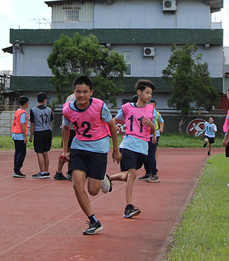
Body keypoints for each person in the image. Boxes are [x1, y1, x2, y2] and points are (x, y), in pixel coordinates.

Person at [61, 75, 120, 235]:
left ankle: (102, 178)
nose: (81, 95)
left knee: (93, 190)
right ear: (74, 92)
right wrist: (65, 150)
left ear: (91, 92)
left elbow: (112, 127)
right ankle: (93, 221)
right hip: (79, 148)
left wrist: (115, 149)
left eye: (85, 92)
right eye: (78, 92)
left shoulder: (99, 106)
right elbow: (66, 128)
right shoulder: (67, 109)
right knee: (77, 184)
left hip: (99, 148)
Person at [108, 79, 157, 218]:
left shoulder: (151, 109)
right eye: (147, 92)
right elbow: (114, 121)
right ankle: (128, 208)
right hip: (128, 144)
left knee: (129, 176)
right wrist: (112, 128)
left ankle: (108, 178)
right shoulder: (126, 107)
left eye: (151, 94)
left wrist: (153, 128)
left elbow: (153, 129)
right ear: (139, 92)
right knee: (133, 174)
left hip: (142, 147)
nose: (149, 96)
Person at [139, 99, 164, 183]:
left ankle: (154, 174)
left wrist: (158, 131)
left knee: (151, 154)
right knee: (144, 155)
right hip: (145, 135)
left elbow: (159, 122)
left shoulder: (155, 113)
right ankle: (148, 173)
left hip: (154, 134)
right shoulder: (144, 111)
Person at [29, 92, 53, 179]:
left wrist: (31, 135)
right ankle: (46, 171)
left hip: (39, 132)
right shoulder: (49, 110)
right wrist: (51, 132)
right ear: (45, 100)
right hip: (47, 131)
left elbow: (32, 124)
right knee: (46, 152)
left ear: (37, 100)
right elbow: (50, 122)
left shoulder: (33, 110)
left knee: (39, 152)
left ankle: (42, 172)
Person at [54, 93, 76, 181]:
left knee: (67, 150)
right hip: (72, 128)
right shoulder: (75, 98)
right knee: (70, 150)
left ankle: (62, 172)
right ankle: (68, 172)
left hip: (70, 127)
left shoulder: (70, 97)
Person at [11, 96, 29, 178]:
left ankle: (16, 168)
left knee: (17, 152)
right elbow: (22, 124)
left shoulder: (17, 111)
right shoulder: (23, 113)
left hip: (15, 134)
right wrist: (25, 136)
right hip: (20, 135)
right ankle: (17, 169)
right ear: (26, 104)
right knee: (22, 153)